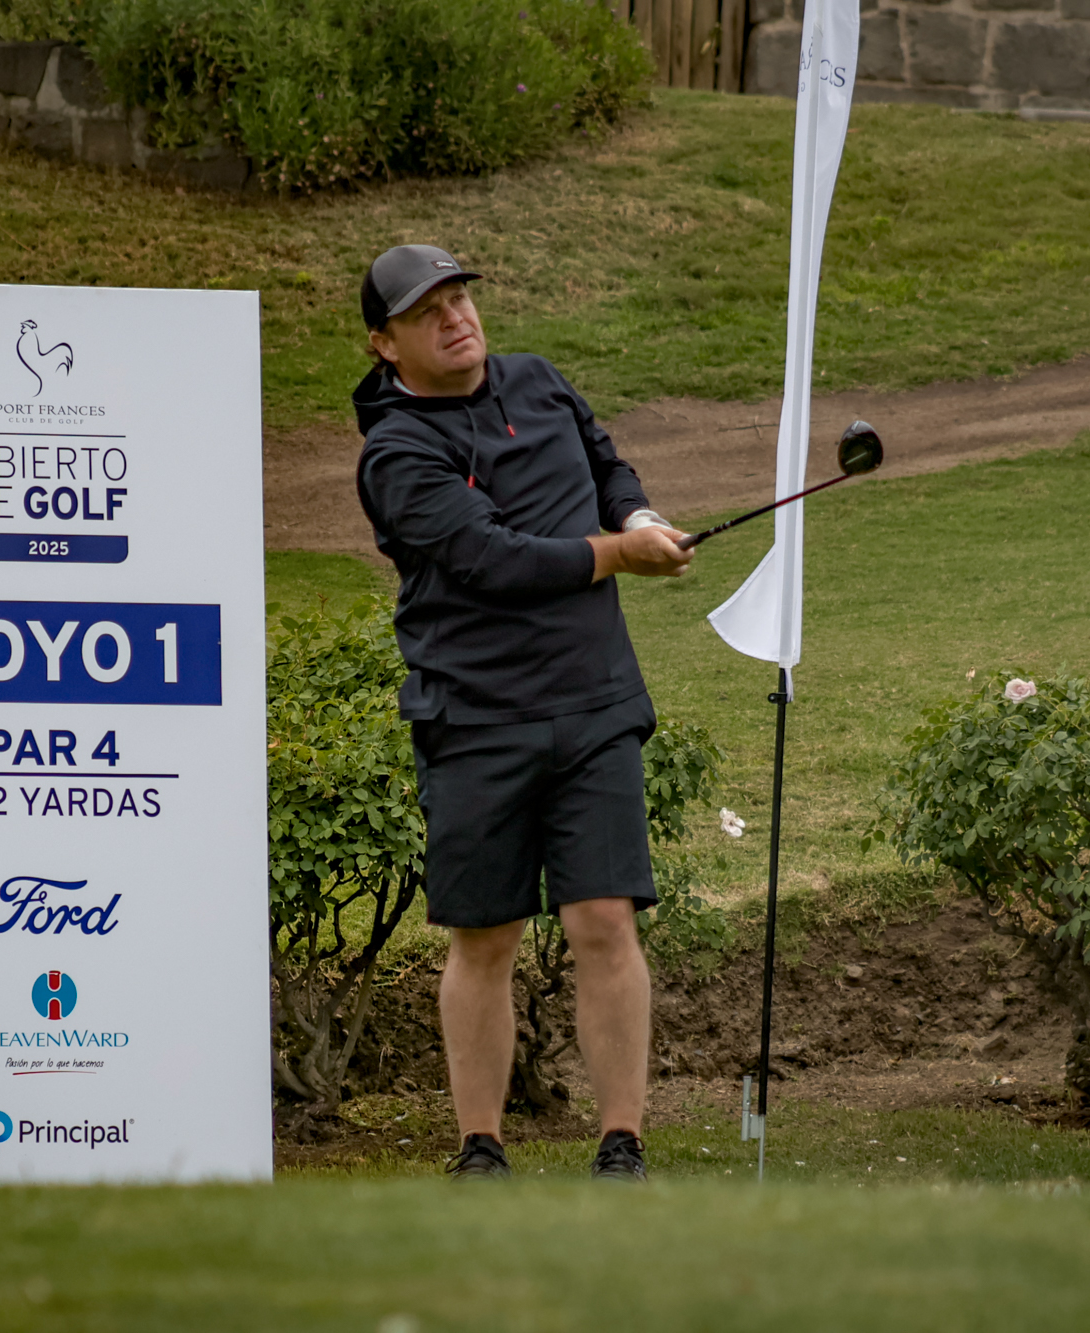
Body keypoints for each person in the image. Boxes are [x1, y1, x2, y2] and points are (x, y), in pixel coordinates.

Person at [353, 244, 693, 1181]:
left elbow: (608, 465)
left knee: (604, 920)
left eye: (460, 298)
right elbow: (492, 560)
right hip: (475, 717)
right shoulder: (396, 452)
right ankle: (481, 1146)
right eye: (427, 312)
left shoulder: (539, 381)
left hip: (593, 700)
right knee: (486, 935)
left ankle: (621, 1144)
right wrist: (621, 557)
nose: (454, 318)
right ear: (385, 344)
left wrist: (636, 517)